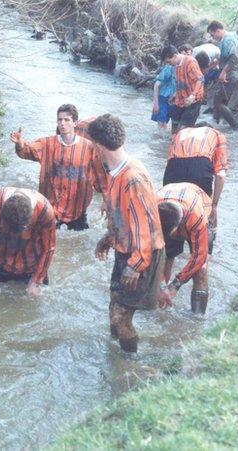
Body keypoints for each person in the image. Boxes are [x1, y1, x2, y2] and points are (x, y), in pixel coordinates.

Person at [89, 114, 165, 353]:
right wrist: (109, 238)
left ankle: (128, 369)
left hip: (142, 256)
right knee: (114, 310)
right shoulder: (115, 171)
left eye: (93, 144)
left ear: (99, 145)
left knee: (122, 318)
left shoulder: (132, 177)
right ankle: (115, 355)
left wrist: (136, 264)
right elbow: (123, 215)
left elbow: (144, 226)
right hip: (126, 250)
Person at [10, 104, 107, 231]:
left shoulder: (89, 148)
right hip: (50, 208)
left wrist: (106, 201)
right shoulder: (46, 143)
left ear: (75, 123)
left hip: (77, 209)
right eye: (59, 120)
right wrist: (19, 143)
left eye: (67, 120)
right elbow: (27, 151)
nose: (62, 123)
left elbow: (101, 178)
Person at [0, 187, 56, 297]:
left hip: (32, 267)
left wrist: (35, 282)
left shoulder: (44, 212)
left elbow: (48, 249)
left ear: (28, 223)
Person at [157, 183, 214, 314]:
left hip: (199, 206)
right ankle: (159, 305)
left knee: (201, 270)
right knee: (164, 259)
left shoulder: (198, 218)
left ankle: (197, 318)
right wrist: (161, 286)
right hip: (170, 202)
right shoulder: (150, 210)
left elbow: (198, 258)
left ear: (178, 228)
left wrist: (175, 285)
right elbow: (150, 250)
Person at [162, 124, 227, 227]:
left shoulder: (180, 134)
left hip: (173, 168)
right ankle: (208, 235)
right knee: (202, 215)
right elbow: (220, 175)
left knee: (171, 213)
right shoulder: (216, 134)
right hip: (199, 167)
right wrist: (213, 205)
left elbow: (170, 161)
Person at [207, 20, 238, 130]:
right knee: (220, 101)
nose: (213, 38)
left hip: (229, 74)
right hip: (231, 72)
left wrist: (223, 72)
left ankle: (236, 127)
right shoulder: (234, 36)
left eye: (213, 35)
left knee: (218, 102)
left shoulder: (228, 40)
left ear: (218, 30)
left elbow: (233, 58)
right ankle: (216, 125)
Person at [161, 45, 204, 134]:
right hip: (180, 100)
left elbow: (200, 79)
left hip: (193, 101)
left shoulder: (190, 62)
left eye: (169, 61)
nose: (169, 64)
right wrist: (175, 94)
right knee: (174, 127)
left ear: (175, 55)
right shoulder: (176, 65)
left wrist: (193, 95)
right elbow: (181, 82)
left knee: (183, 131)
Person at [151, 61, 176, 129]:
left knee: (167, 123)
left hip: (173, 99)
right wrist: (156, 103)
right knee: (162, 123)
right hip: (163, 98)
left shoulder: (182, 68)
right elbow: (156, 85)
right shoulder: (168, 69)